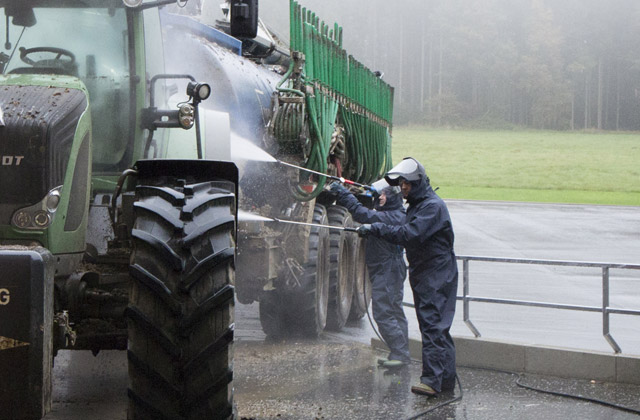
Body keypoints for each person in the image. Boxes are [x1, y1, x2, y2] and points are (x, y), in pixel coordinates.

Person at [356, 157, 458, 397]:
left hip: (436, 273)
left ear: (418, 182)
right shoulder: (419, 204)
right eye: (401, 185)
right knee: (434, 326)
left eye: (407, 185)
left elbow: (410, 234)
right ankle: (445, 381)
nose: (403, 189)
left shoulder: (431, 207)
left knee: (433, 325)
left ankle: (432, 381)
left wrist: (376, 228)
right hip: (427, 271)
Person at [330, 181, 411, 368]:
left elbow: (361, 213)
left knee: (384, 312)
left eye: (383, 195)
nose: (380, 197)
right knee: (395, 310)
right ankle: (399, 352)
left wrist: (342, 193)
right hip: (391, 268)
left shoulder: (389, 217)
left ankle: (400, 354)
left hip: (387, 269)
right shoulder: (396, 214)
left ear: (391, 198)